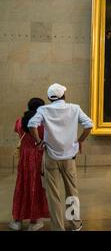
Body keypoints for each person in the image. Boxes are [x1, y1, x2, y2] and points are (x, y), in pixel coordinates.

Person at [28, 83, 93, 231]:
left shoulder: (43, 110)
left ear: (49, 98)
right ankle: (75, 224)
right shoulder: (74, 108)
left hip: (51, 156)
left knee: (53, 194)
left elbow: (32, 124)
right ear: (64, 95)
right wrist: (80, 140)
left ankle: (58, 227)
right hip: (69, 157)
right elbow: (89, 125)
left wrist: (38, 142)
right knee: (72, 191)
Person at [9, 98, 50, 231]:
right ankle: (35, 221)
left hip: (24, 158)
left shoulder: (19, 122)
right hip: (38, 157)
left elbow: (17, 131)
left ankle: (17, 220)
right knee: (36, 186)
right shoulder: (42, 124)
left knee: (22, 185)